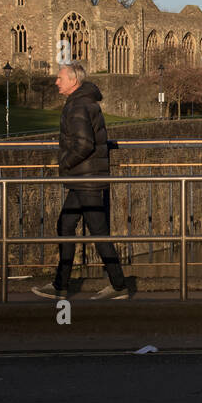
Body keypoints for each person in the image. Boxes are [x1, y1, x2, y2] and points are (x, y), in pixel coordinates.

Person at [33, 61, 129, 300]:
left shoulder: (77, 106)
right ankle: (61, 285)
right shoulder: (86, 103)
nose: (56, 81)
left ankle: (118, 286)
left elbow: (84, 144)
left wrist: (64, 162)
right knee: (66, 226)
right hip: (84, 177)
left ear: (73, 81)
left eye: (60, 78)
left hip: (85, 177)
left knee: (97, 232)